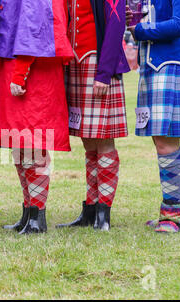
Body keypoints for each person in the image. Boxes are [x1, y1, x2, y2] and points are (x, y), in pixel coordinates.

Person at [0, 0, 74, 234]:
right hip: (21, 65)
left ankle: (38, 216)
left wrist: (20, 72)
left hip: (33, 72)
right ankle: (28, 212)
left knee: (34, 144)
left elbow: (34, 27)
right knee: (21, 143)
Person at [127, 0, 180, 233]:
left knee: (166, 141)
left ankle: (171, 214)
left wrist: (141, 29)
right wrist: (135, 20)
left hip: (174, 64)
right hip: (157, 65)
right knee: (163, 141)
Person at [57, 0, 130, 231]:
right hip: (75, 65)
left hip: (98, 64)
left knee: (104, 138)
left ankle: (103, 214)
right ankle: (90, 208)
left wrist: (105, 72)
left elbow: (116, 24)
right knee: (88, 140)